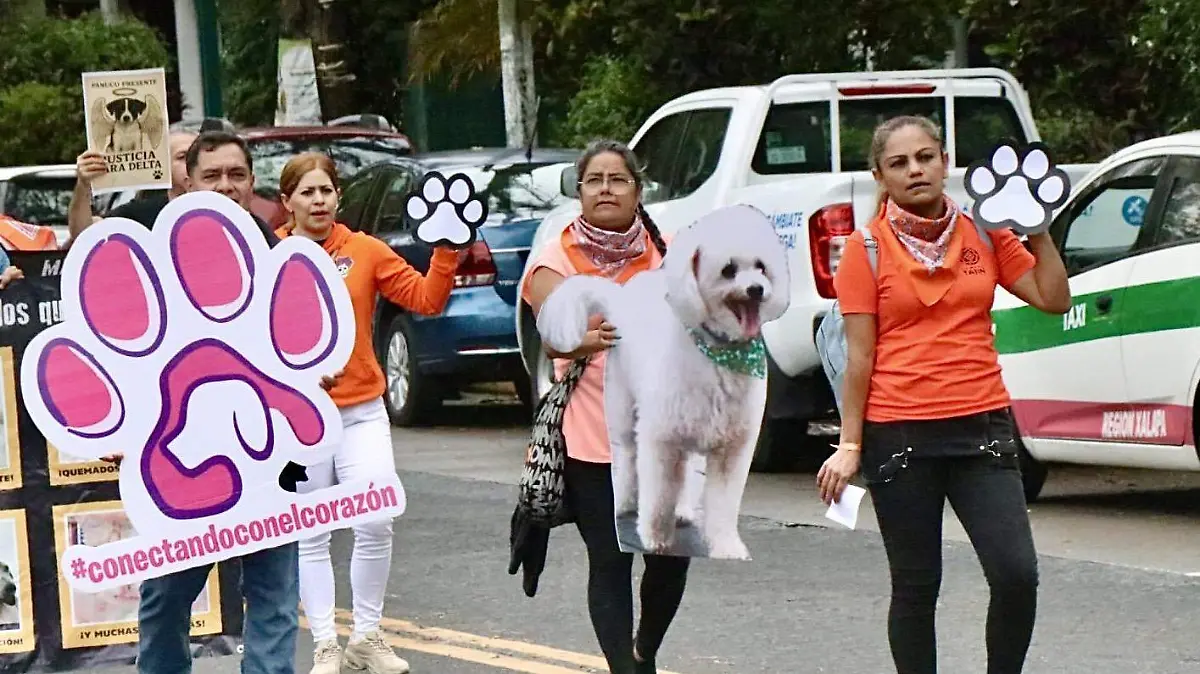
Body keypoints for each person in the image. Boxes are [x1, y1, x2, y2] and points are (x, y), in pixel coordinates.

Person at [815, 115, 1071, 674]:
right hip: (899, 437)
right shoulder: (865, 249)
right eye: (900, 163)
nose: (915, 171)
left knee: (1015, 574)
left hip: (982, 430)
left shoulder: (985, 232)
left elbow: (1052, 298)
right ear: (880, 174)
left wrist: (1040, 228)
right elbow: (860, 357)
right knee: (916, 586)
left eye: (925, 157)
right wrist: (850, 444)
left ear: (944, 162)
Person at [130, 130, 329, 674]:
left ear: (252, 183)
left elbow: (302, 351)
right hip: (181, 463)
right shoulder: (154, 252)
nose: (225, 186)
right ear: (186, 183)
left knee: (273, 598)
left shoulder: (274, 250)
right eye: (211, 175)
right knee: (166, 598)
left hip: (267, 457)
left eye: (236, 175)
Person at [275, 152, 459, 674]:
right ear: (287, 202)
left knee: (376, 519)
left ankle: (368, 637)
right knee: (312, 533)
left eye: (326, 191)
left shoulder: (365, 251)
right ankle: (326, 647)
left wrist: (446, 250)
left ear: (337, 197)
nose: (318, 201)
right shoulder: (272, 259)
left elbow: (425, 299)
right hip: (300, 420)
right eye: (306, 193)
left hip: (362, 411)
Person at [522, 139, 687, 674]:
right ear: (580, 191)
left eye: (618, 180)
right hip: (593, 437)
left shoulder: (667, 250)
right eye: (595, 180)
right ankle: (625, 667)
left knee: (670, 558)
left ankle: (645, 650)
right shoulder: (556, 259)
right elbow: (552, 338)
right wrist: (584, 341)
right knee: (610, 560)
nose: (606, 189)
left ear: (637, 191)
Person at [67, 123, 198, 238]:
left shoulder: (218, 198)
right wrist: (83, 185)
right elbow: (85, 233)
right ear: (162, 165)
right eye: (183, 156)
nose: (193, 163)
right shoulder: (143, 211)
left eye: (197, 156)